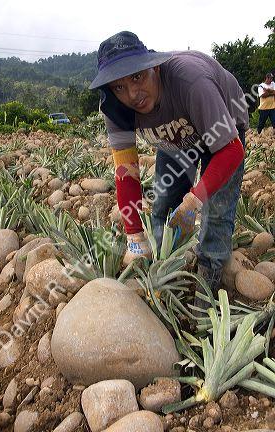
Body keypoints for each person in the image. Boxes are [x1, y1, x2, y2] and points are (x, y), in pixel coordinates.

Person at [90, 31, 249, 300]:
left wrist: (195, 200)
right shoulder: (115, 108)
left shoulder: (190, 81)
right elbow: (125, 174)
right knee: (164, 204)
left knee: (217, 211)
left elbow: (232, 150)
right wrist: (134, 236)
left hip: (222, 132)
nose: (132, 94)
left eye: (137, 77)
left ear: (153, 66)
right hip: (176, 138)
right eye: (119, 86)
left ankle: (208, 282)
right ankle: (165, 268)